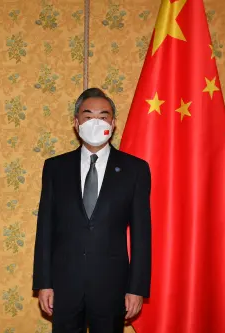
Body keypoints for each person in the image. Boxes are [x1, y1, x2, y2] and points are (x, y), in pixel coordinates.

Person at [33, 88, 151, 333]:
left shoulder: (135, 170)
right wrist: (43, 283)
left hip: (112, 285)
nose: (95, 122)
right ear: (76, 123)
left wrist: (136, 287)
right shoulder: (55, 168)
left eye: (103, 116)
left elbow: (142, 234)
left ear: (113, 122)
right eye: (88, 116)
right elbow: (45, 228)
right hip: (64, 285)